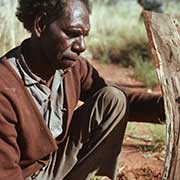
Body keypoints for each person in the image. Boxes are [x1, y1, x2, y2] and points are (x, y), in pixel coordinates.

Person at [0, 0, 165, 180]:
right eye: (72, 34)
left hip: (55, 166)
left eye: (84, 36)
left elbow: (119, 100)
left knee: (113, 98)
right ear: (40, 25)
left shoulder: (71, 68)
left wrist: (165, 107)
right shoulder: (5, 88)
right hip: (22, 175)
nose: (81, 46)